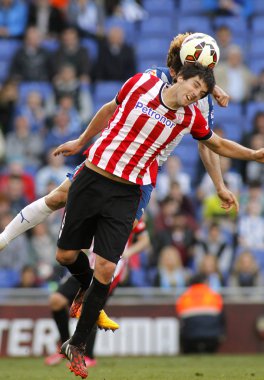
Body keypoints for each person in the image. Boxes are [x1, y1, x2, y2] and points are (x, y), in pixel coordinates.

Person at [54, 64, 264, 378]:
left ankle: (78, 344)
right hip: (93, 177)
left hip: (128, 192)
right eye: (195, 85)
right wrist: (81, 141)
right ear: (179, 77)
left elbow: (216, 145)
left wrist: (254, 154)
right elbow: (109, 109)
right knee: (65, 256)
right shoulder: (142, 83)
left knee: (107, 268)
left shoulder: (190, 117)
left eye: (202, 93)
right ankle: (85, 291)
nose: (195, 94)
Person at [0, 32, 239, 253]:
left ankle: (86, 284)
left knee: (122, 231)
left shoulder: (203, 100)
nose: (196, 88)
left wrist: (219, 186)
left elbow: (208, 143)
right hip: (113, 154)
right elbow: (110, 108)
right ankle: (4, 239)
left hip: (143, 171)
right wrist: (82, 141)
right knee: (58, 197)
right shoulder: (154, 77)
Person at [44, 217, 149, 366]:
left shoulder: (130, 212)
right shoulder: (98, 206)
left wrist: (127, 253)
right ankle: (65, 348)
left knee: (91, 305)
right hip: (88, 265)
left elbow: (145, 240)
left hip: (111, 268)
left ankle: (88, 356)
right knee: (56, 300)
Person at [176, 273, 225, 354]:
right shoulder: (214, 295)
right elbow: (222, 318)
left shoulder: (185, 296)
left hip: (190, 337)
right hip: (212, 336)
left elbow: (180, 316)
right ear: (205, 282)